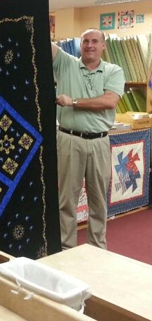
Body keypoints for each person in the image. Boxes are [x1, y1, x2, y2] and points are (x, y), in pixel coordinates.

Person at [52, 28, 125, 250]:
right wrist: (38, 3)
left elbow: (109, 101)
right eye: (85, 41)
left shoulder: (114, 70)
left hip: (99, 142)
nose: (90, 45)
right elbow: (42, 42)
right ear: (80, 45)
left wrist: (73, 101)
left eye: (95, 41)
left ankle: (96, 249)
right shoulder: (66, 63)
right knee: (66, 201)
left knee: (98, 201)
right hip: (69, 140)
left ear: (103, 46)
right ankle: (66, 250)